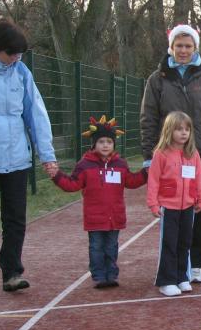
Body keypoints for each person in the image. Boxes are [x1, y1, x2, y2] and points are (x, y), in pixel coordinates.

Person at [0, 19, 58, 295]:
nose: (16, 58)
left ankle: (12, 273)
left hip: (16, 157)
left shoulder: (21, 72)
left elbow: (36, 114)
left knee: (15, 219)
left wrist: (46, 155)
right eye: (11, 54)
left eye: (19, 54)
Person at [140, 24, 201, 285]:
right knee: (172, 209)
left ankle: (197, 263)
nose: (183, 50)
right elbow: (148, 118)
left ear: (195, 48)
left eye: (188, 46)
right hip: (169, 155)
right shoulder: (157, 79)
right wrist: (149, 154)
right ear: (171, 47)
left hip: (200, 152)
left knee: (198, 206)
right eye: (179, 45)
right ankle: (174, 265)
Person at [50, 116, 147, 288]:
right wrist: (57, 176)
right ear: (94, 144)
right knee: (96, 247)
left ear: (114, 144)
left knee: (111, 247)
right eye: (101, 141)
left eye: (109, 142)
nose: (105, 145)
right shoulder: (84, 165)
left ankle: (111, 275)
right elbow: (72, 184)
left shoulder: (120, 164)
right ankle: (99, 276)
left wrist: (146, 173)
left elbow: (131, 181)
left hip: (114, 217)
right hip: (94, 218)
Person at [146, 111, 201, 297]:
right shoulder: (161, 154)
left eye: (187, 129)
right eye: (179, 129)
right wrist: (153, 203)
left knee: (185, 243)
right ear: (169, 130)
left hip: (188, 207)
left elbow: (199, 178)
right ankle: (166, 280)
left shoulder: (193, 154)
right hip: (168, 207)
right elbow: (153, 180)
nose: (183, 133)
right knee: (169, 244)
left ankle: (182, 277)